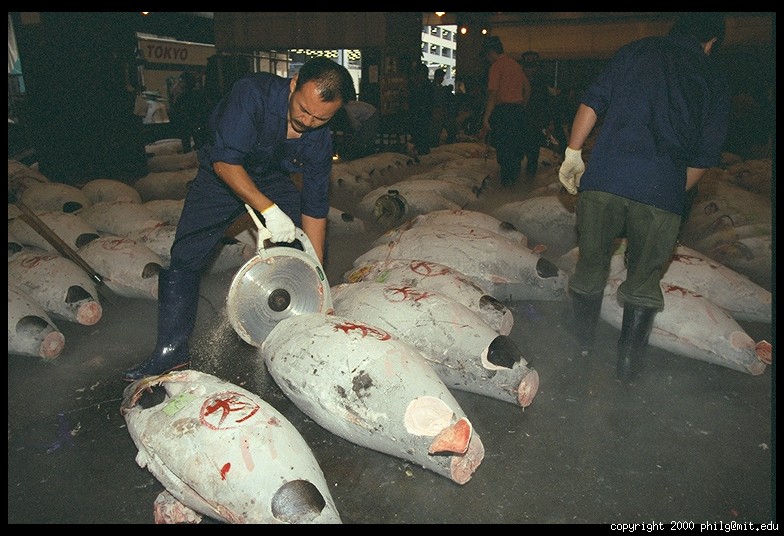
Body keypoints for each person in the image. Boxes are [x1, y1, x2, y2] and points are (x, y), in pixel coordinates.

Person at [123, 57, 356, 381]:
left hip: (272, 180)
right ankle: (170, 352)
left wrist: (314, 271)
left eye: (321, 118)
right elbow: (225, 163)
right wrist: (268, 210)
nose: (308, 121)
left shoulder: (320, 138)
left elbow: (315, 206)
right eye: (304, 110)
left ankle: (298, 333)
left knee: (304, 246)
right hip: (222, 176)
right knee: (186, 256)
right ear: (294, 84)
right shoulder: (251, 94)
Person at [558, 12, 730, 382]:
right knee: (643, 282)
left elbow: (592, 102)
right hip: (661, 186)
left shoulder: (635, 50)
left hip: (605, 179)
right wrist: (667, 189)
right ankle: (627, 370)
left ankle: (580, 350)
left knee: (590, 267)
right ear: (711, 43)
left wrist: (573, 152)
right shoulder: (714, 77)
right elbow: (704, 156)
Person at [478, 36, 531, 187]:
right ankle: (515, 184)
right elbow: (527, 88)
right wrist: (522, 106)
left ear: (491, 52)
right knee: (515, 149)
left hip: (504, 112)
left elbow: (493, 94)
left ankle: (507, 185)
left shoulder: (496, 66)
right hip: (518, 111)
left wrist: (486, 118)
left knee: (504, 150)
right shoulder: (515, 65)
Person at [168, 71, 209, 152]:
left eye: (181, 81)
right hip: (193, 121)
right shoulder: (197, 93)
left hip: (189, 121)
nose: (180, 83)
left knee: (188, 140)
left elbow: (175, 107)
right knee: (194, 140)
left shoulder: (184, 95)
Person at [407, 62, 435, 156]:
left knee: (421, 134)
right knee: (421, 134)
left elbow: (421, 101)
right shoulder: (425, 86)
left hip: (421, 114)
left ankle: (423, 153)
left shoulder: (425, 87)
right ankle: (422, 152)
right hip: (421, 114)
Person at [430, 68, 457, 147]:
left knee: (440, 130)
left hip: (442, 110)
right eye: (441, 77)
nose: (442, 79)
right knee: (435, 131)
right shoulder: (432, 87)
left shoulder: (441, 88)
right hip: (435, 110)